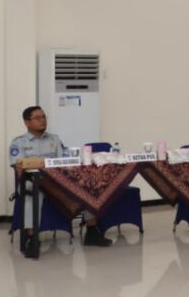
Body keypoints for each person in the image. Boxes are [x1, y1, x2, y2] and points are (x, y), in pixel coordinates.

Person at [9, 106, 112, 258]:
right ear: (27, 122)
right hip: (32, 181)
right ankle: (32, 239)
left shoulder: (54, 139)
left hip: (56, 181)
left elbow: (64, 161)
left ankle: (91, 231)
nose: (42, 120)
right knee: (32, 193)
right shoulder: (18, 142)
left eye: (44, 117)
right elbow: (18, 165)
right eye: (37, 118)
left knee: (85, 186)